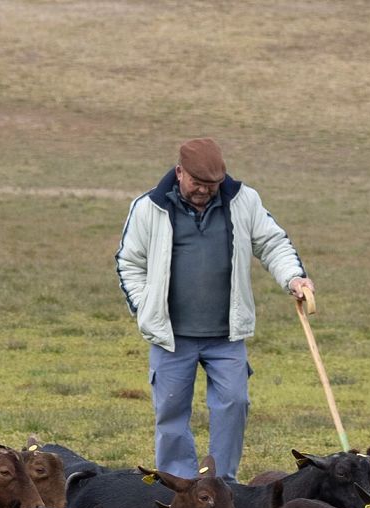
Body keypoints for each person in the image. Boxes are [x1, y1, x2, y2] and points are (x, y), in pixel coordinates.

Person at [115, 138, 313, 481]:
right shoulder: (148, 207)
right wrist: (145, 308)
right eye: (197, 182)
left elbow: (272, 243)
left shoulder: (243, 201)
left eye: (212, 184)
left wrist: (294, 278)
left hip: (226, 335)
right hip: (170, 336)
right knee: (171, 413)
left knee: (234, 404)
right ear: (180, 172)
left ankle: (222, 485)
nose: (205, 190)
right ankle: (179, 486)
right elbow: (129, 263)